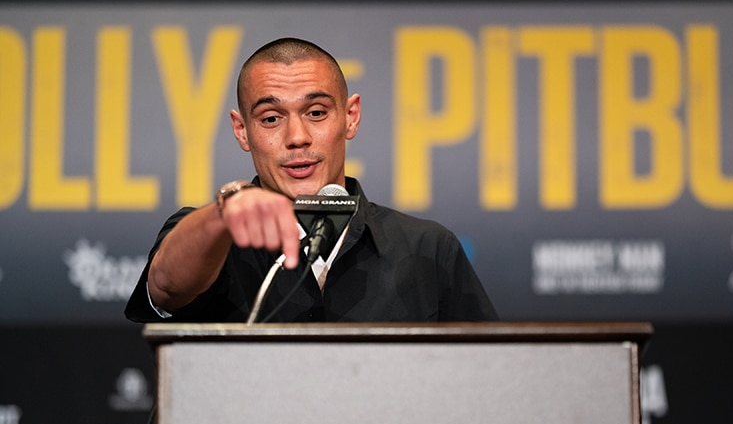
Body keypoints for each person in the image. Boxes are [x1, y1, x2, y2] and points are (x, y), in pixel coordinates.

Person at [125, 37, 498, 323]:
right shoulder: (210, 237)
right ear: (242, 131)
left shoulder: (429, 250)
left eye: (316, 112)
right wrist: (223, 214)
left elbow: (488, 380)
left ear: (350, 117)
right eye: (271, 118)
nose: (297, 136)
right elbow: (165, 287)